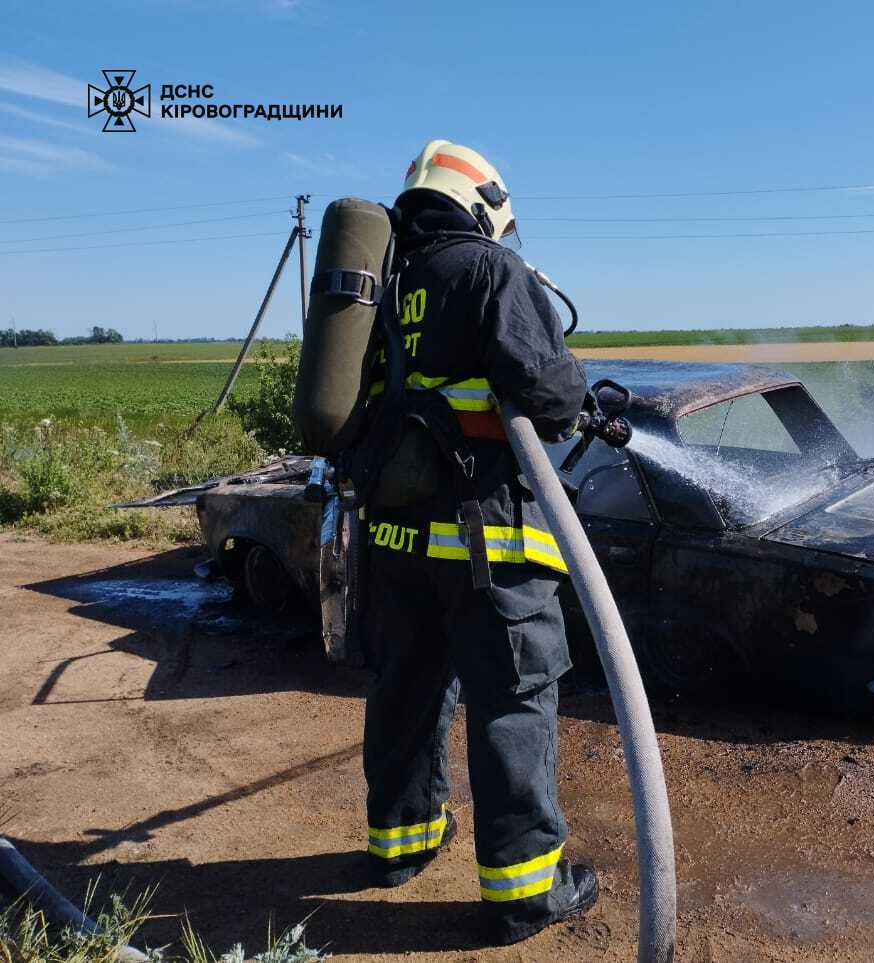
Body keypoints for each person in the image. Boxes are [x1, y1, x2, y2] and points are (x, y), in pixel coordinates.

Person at [358, 139, 598, 945]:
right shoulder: (491, 272)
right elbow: (553, 394)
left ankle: (400, 844)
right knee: (514, 698)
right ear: (484, 201)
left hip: (394, 541)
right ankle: (526, 891)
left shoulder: (387, 289)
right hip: (483, 539)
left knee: (407, 689)